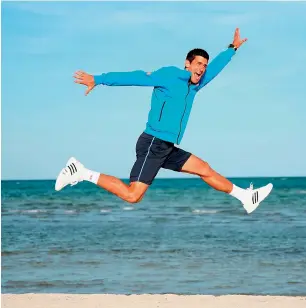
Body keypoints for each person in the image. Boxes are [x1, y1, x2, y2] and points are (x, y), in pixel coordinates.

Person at [55, 28, 273, 214]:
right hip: (153, 142)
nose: (202, 68)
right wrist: (99, 79)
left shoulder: (195, 86)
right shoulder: (169, 75)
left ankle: (246, 196)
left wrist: (232, 48)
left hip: (166, 146)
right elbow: (136, 77)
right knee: (133, 196)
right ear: (187, 64)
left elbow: (215, 69)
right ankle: (80, 172)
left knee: (204, 169)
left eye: (204, 65)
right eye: (198, 64)